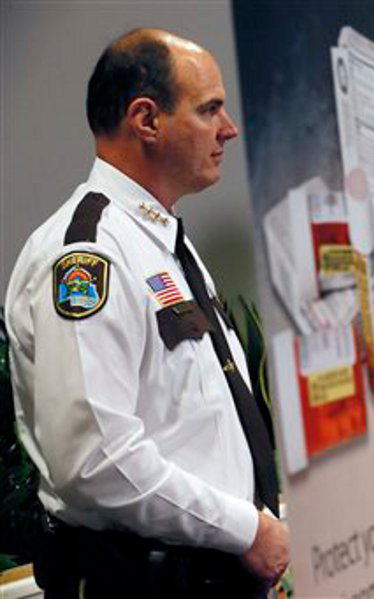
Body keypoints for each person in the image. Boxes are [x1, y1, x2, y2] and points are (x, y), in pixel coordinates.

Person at [5, 28, 289, 597]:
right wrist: (245, 529)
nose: (228, 129)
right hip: (146, 583)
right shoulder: (88, 255)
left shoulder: (161, 242)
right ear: (146, 119)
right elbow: (95, 463)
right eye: (209, 110)